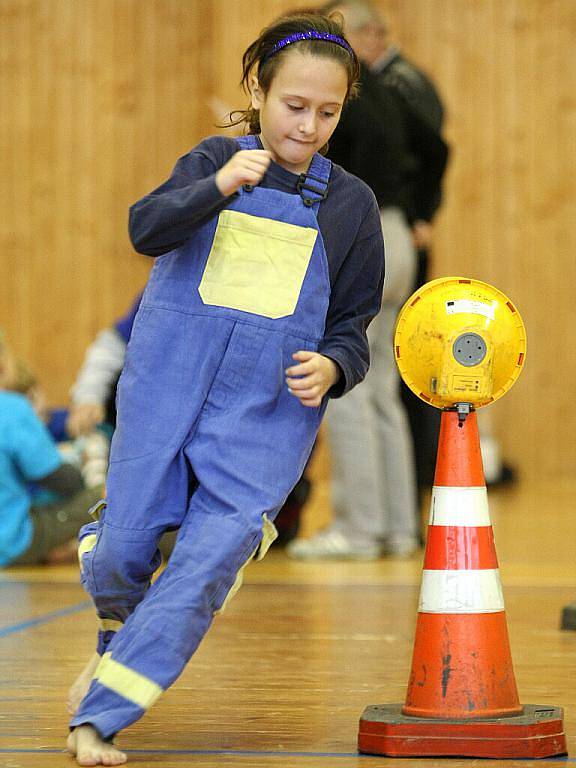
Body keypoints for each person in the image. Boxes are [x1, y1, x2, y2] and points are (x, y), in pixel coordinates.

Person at [66, 12, 384, 765]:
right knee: (120, 556)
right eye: (293, 107)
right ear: (259, 92)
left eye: (328, 112)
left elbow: (352, 324)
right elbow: (145, 229)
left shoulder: (350, 207)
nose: (308, 126)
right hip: (163, 394)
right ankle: (118, 627)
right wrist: (215, 185)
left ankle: (98, 719)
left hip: (263, 421)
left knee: (207, 562)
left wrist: (335, 366)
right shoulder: (214, 157)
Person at [287, 0, 448, 560]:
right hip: (398, 232)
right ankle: (397, 528)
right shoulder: (381, 88)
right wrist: (423, 208)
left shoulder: (343, 98)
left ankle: (359, 529)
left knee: (347, 380)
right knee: (380, 388)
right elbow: (436, 147)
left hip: (364, 230)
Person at [0, 331, 102, 567]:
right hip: (11, 543)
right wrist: (78, 461)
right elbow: (63, 480)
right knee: (107, 496)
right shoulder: (11, 409)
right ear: (4, 364)